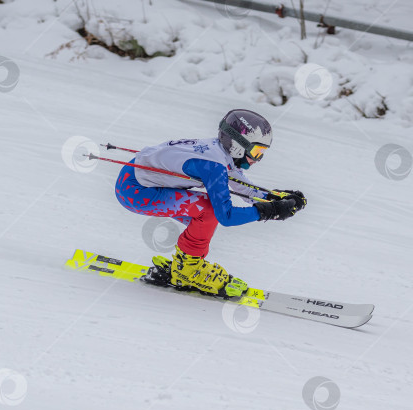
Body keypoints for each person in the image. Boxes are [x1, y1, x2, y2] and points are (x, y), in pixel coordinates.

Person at [114, 109, 306, 297]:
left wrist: (274, 197)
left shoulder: (219, 151)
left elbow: (242, 185)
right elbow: (227, 216)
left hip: (136, 179)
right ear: (238, 145)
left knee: (205, 219)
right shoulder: (213, 166)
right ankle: (187, 270)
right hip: (136, 191)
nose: (258, 159)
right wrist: (269, 211)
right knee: (208, 212)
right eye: (256, 151)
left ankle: (185, 262)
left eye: (262, 153)